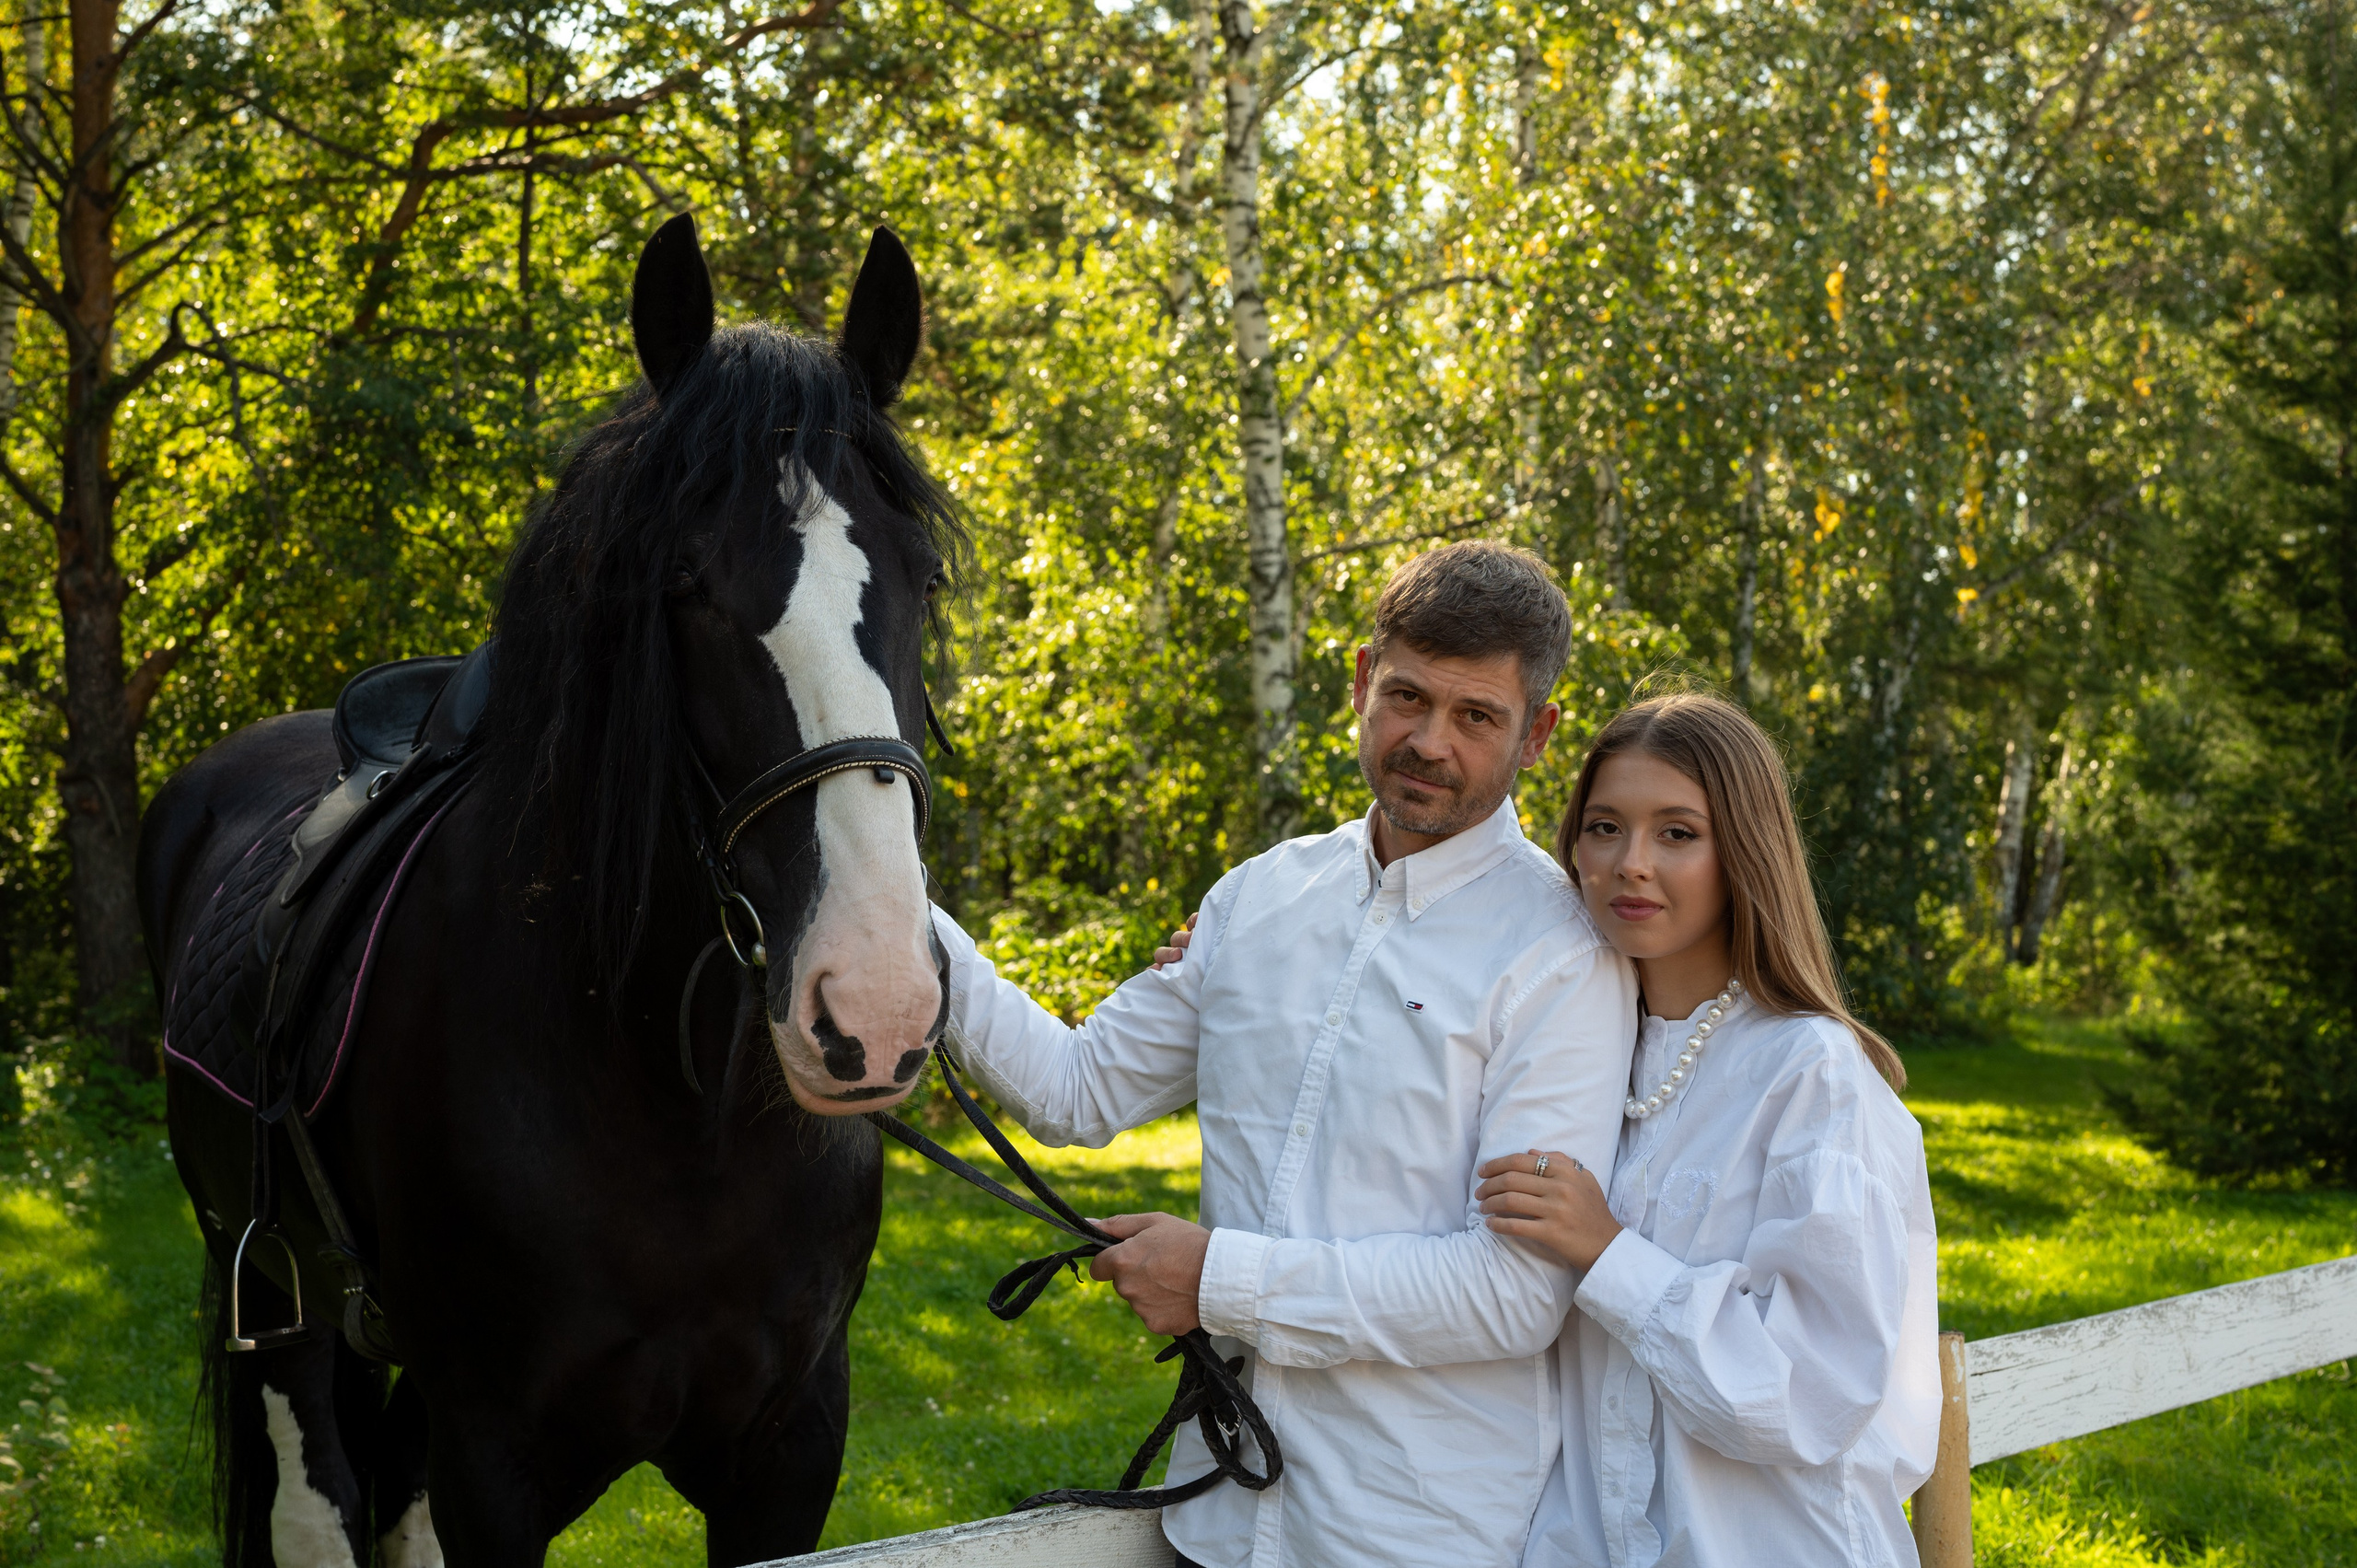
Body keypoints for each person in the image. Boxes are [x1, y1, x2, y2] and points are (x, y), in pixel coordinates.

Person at [926, 541, 1641, 1568]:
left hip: (1414, 1536)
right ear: (1359, 681)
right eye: (1405, 696)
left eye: (1476, 715)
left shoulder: (1565, 954)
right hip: (1211, 1513)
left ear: (1537, 734)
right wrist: (896, 912)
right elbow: (1077, 1093)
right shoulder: (1258, 896)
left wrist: (1217, 1278)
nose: (1428, 741)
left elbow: (1513, 1292)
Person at [1472, 694, 1941, 1568]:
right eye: (1605, 827)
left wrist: (1608, 1252)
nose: (1630, 864)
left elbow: (1807, 1391)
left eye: (1678, 833)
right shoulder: (1566, 1050)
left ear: (1744, 853)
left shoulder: (1810, 1072)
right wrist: (1234, 962)